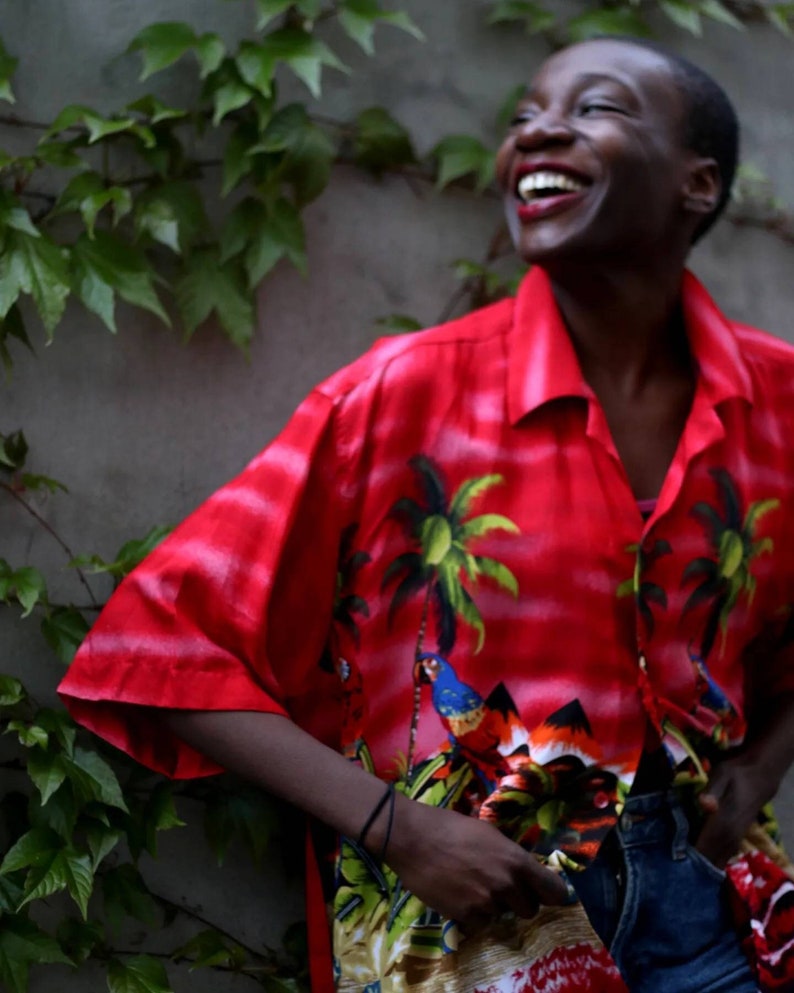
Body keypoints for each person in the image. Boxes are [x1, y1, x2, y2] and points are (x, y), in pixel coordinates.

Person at [58, 36, 794, 993]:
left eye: (595, 108)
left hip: (718, 914)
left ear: (697, 184)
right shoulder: (401, 395)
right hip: (469, 935)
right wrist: (400, 829)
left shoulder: (778, 400)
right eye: (525, 115)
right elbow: (162, 645)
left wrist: (764, 764)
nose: (538, 133)